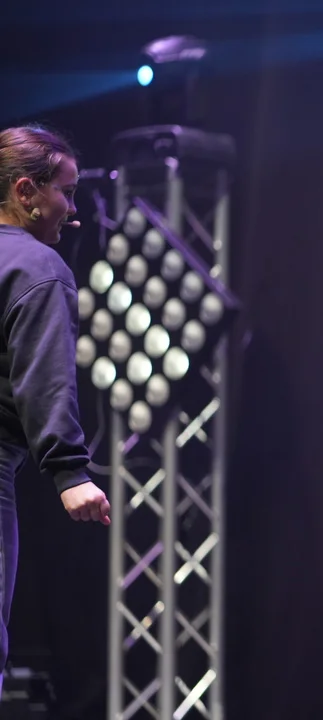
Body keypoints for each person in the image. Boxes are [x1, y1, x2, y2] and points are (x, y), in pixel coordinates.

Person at [0, 125, 112, 692]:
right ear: (26, 191)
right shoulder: (38, 268)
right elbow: (44, 376)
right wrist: (70, 472)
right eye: (65, 193)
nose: (73, 211)